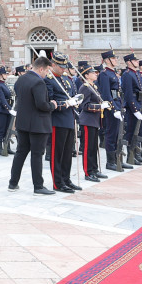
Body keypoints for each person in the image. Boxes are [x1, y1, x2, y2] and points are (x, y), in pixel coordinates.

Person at [8, 56, 57, 196]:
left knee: (20, 153)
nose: (47, 74)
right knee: (36, 155)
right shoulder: (39, 82)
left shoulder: (21, 79)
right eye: (47, 70)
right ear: (41, 68)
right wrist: (52, 105)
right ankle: (38, 186)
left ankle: (13, 182)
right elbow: (41, 104)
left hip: (23, 123)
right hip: (38, 124)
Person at [49, 60, 81, 193]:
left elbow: (72, 94)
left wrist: (76, 100)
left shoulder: (66, 79)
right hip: (58, 120)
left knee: (68, 153)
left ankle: (66, 179)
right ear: (53, 65)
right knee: (57, 154)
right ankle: (57, 183)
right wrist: (66, 103)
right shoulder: (49, 80)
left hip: (69, 118)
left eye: (64, 67)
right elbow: (49, 100)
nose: (63, 69)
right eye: (60, 67)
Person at [0, 68, 14, 157]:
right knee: (1, 130)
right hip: (1, 110)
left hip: (7, 110)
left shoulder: (4, 84)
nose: (6, 75)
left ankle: (7, 148)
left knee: (7, 130)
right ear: (0, 75)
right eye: (5, 74)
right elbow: (2, 99)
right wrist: (8, 108)